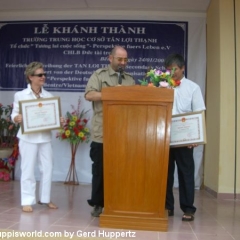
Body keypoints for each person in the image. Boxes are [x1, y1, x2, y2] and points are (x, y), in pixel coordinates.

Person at [85, 46, 135, 217]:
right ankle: (98, 203)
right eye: (119, 59)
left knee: (122, 169)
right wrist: (112, 93)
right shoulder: (99, 75)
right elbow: (89, 95)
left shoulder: (130, 79)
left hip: (123, 133)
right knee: (100, 170)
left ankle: (119, 201)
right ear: (110, 58)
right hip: (102, 132)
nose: (123, 63)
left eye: (125, 60)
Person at [11, 62, 64, 213]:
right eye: (40, 75)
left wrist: (59, 120)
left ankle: (45, 199)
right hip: (28, 138)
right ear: (30, 77)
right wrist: (17, 118)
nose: (43, 77)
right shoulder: (20, 95)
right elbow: (14, 113)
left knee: (48, 168)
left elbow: (53, 116)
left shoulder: (49, 96)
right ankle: (27, 201)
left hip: (45, 137)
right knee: (27, 169)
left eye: (44, 74)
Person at [165, 53, 206, 221]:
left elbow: (199, 112)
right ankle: (167, 206)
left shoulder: (193, 87)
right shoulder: (160, 86)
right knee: (165, 174)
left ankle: (188, 208)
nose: (172, 72)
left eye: (175, 69)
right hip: (164, 137)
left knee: (185, 173)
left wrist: (196, 137)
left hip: (184, 139)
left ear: (183, 68)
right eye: (169, 69)